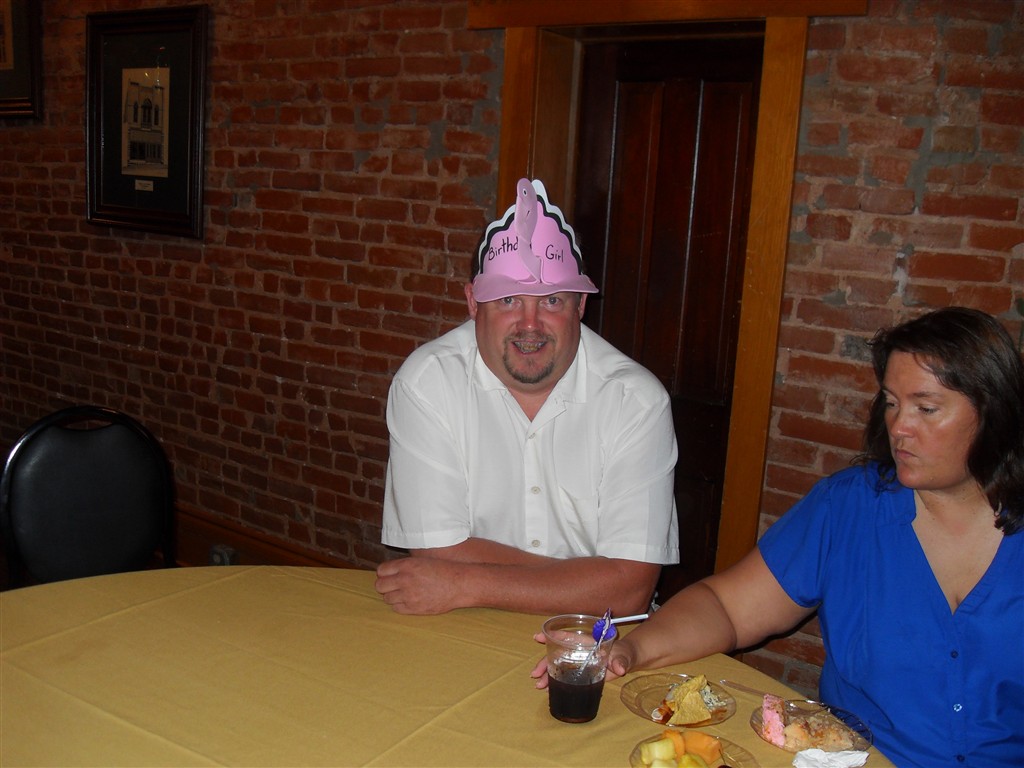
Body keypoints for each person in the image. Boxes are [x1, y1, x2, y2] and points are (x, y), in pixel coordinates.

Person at [533, 306, 1024, 767]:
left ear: (994, 412)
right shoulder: (849, 507)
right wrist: (631, 650)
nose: (899, 427)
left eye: (927, 408)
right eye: (892, 403)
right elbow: (726, 608)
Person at [374, 178, 679, 617]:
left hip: (590, 640)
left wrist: (462, 581)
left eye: (552, 300)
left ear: (580, 305)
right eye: (509, 300)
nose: (530, 324)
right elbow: (435, 551)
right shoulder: (427, 384)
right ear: (473, 302)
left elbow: (629, 593)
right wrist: (593, 582)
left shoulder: (636, 402)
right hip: (468, 621)